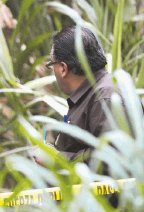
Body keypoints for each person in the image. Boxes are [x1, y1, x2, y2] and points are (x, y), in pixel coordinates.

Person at [39, 26, 115, 163]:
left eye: (52, 65)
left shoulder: (104, 97)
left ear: (63, 68)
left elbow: (110, 157)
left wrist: (57, 159)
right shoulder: (91, 94)